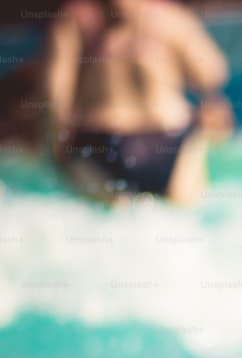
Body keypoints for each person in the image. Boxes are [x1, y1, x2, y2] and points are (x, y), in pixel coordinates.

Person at [43, 0, 231, 205]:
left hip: (102, 142)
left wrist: (58, 150)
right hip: (171, 138)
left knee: (115, 221)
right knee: (182, 220)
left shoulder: (75, 19)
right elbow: (212, 74)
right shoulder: (171, 18)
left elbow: (54, 96)